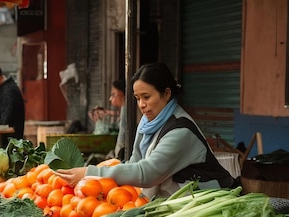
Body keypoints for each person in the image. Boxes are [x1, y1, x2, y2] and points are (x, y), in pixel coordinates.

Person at [55, 62, 236, 199]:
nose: (142, 105)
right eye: (137, 98)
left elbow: (146, 173)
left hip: (204, 203)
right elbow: (135, 161)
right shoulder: (148, 122)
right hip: (170, 202)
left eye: (147, 97)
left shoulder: (181, 131)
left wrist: (90, 173)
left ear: (166, 93)